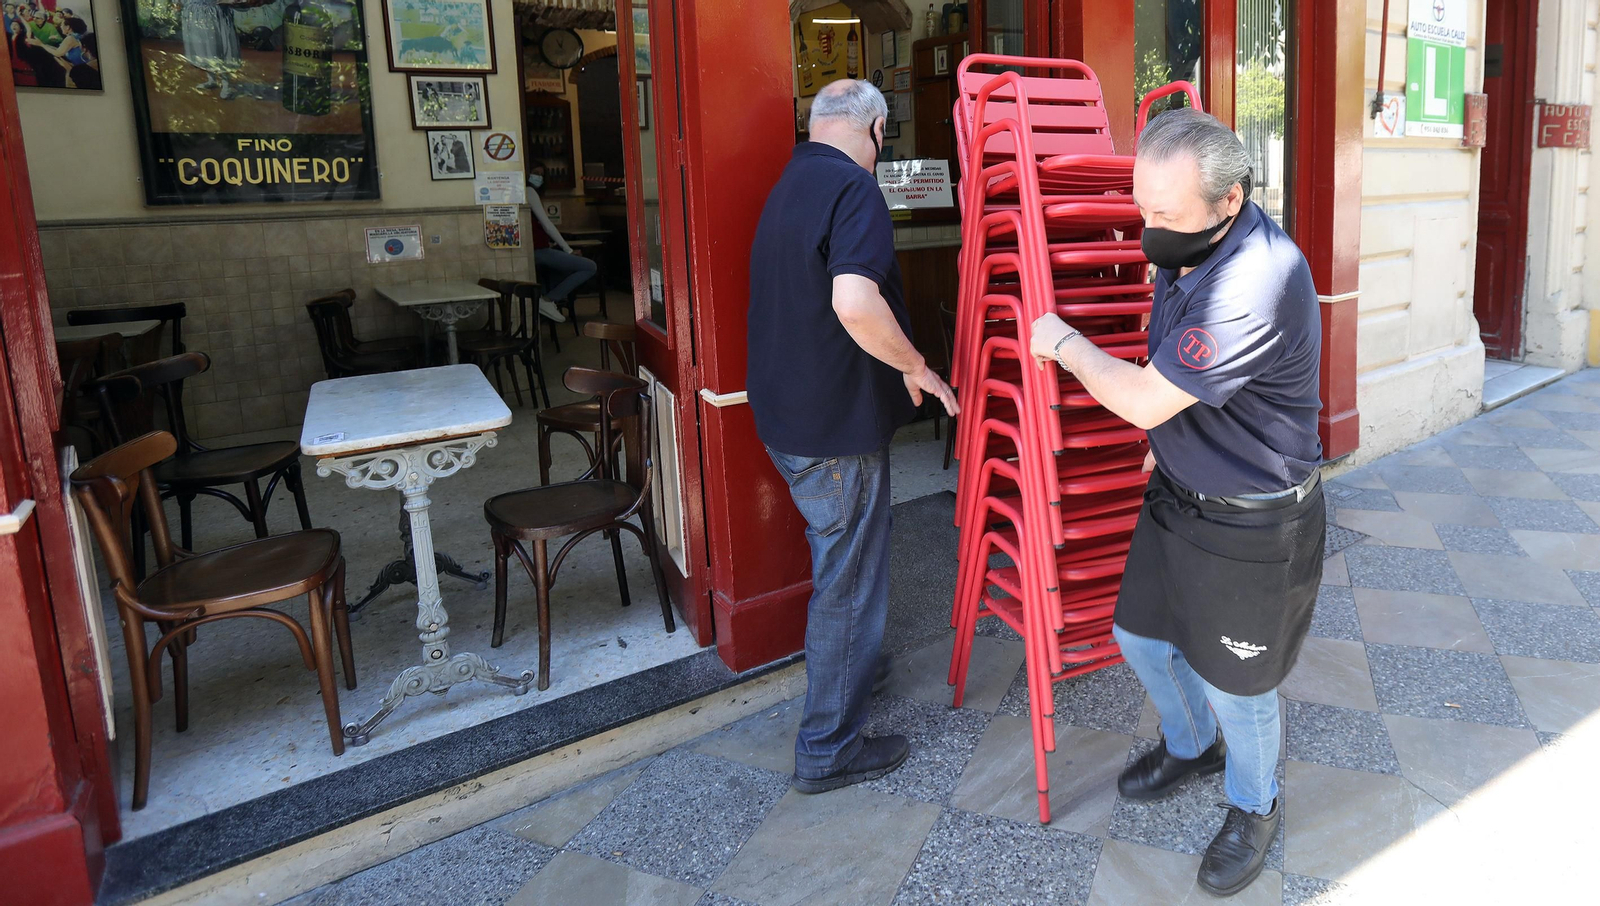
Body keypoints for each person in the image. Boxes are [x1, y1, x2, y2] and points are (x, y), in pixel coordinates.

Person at [1029, 107, 1323, 897]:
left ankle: (1254, 805)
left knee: (1239, 684)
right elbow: (1175, 377)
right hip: (1179, 495)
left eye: (1165, 214)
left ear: (1230, 200)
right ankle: (1194, 746)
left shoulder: (1255, 280)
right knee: (1140, 636)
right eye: (1141, 208)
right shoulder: (1191, 247)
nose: (1148, 230)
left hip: (1251, 516)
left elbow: (1143, 398)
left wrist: (1065, 343)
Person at [747, 79, 959, 795]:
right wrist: (917, 366)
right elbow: (853, 301)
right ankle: (828, 748)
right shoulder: (855, 188)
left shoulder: (789, 185)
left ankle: (853, 670)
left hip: (786, 420)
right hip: (834, 431)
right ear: (875, 129)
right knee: (849, 581)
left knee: (840, 568)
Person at [525, 162, 593, 325]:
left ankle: (544, 296)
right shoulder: (529, 191)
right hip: (538, 250)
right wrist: (568, 250)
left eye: (542, 175)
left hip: (536, 248)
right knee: (589, 266)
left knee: (564, 269)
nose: (538, 177)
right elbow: (547, 225)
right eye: (535, 173)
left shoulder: (526, 192)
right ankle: (548, 300)